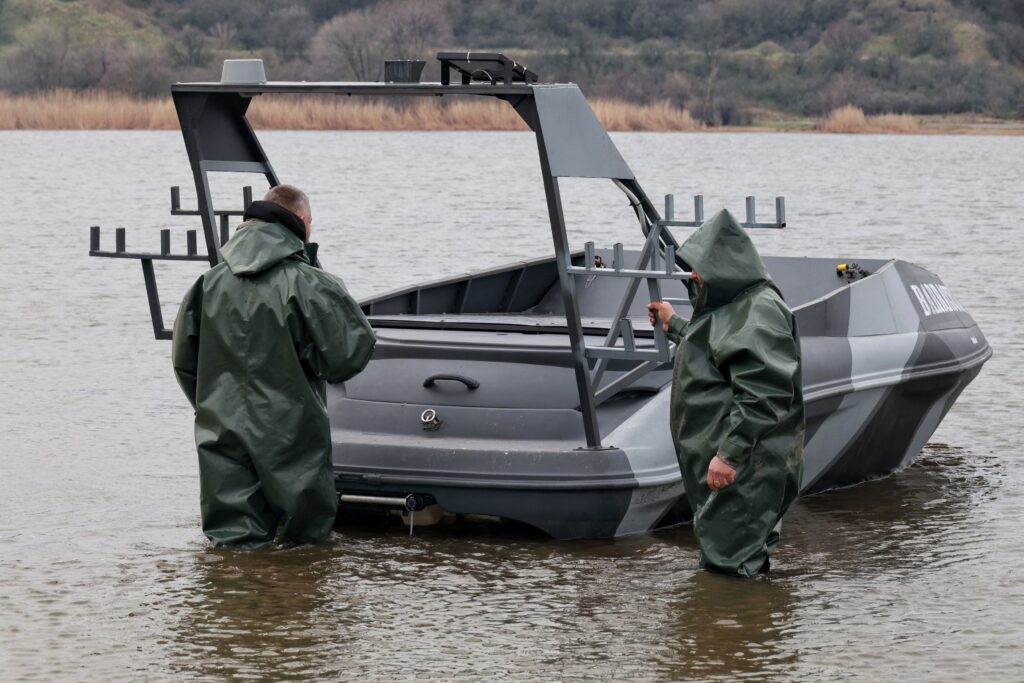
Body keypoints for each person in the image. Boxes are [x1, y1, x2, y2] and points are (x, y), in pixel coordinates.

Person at [171, 184, 376, 548]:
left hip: (222, 427)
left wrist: (214, 407)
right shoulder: (312, 284)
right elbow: (349, 356)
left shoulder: (208, 283)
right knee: (305, 545)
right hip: (291, 431)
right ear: (300, 222)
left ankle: (239, 597)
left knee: (232, 544)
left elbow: (185, 362)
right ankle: (287, 595)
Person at [648, 209, 804, 576]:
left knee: (731, 564)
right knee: (742, 551)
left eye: (700, 267)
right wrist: (675, 325)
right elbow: (718, 348)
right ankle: (746, 622)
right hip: (739, 461)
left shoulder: (759, 312)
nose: (694, 276)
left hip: (745, 465)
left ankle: (734, 626)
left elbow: (763, 394)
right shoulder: (735, 304)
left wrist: (729, 455)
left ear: (724, 265)